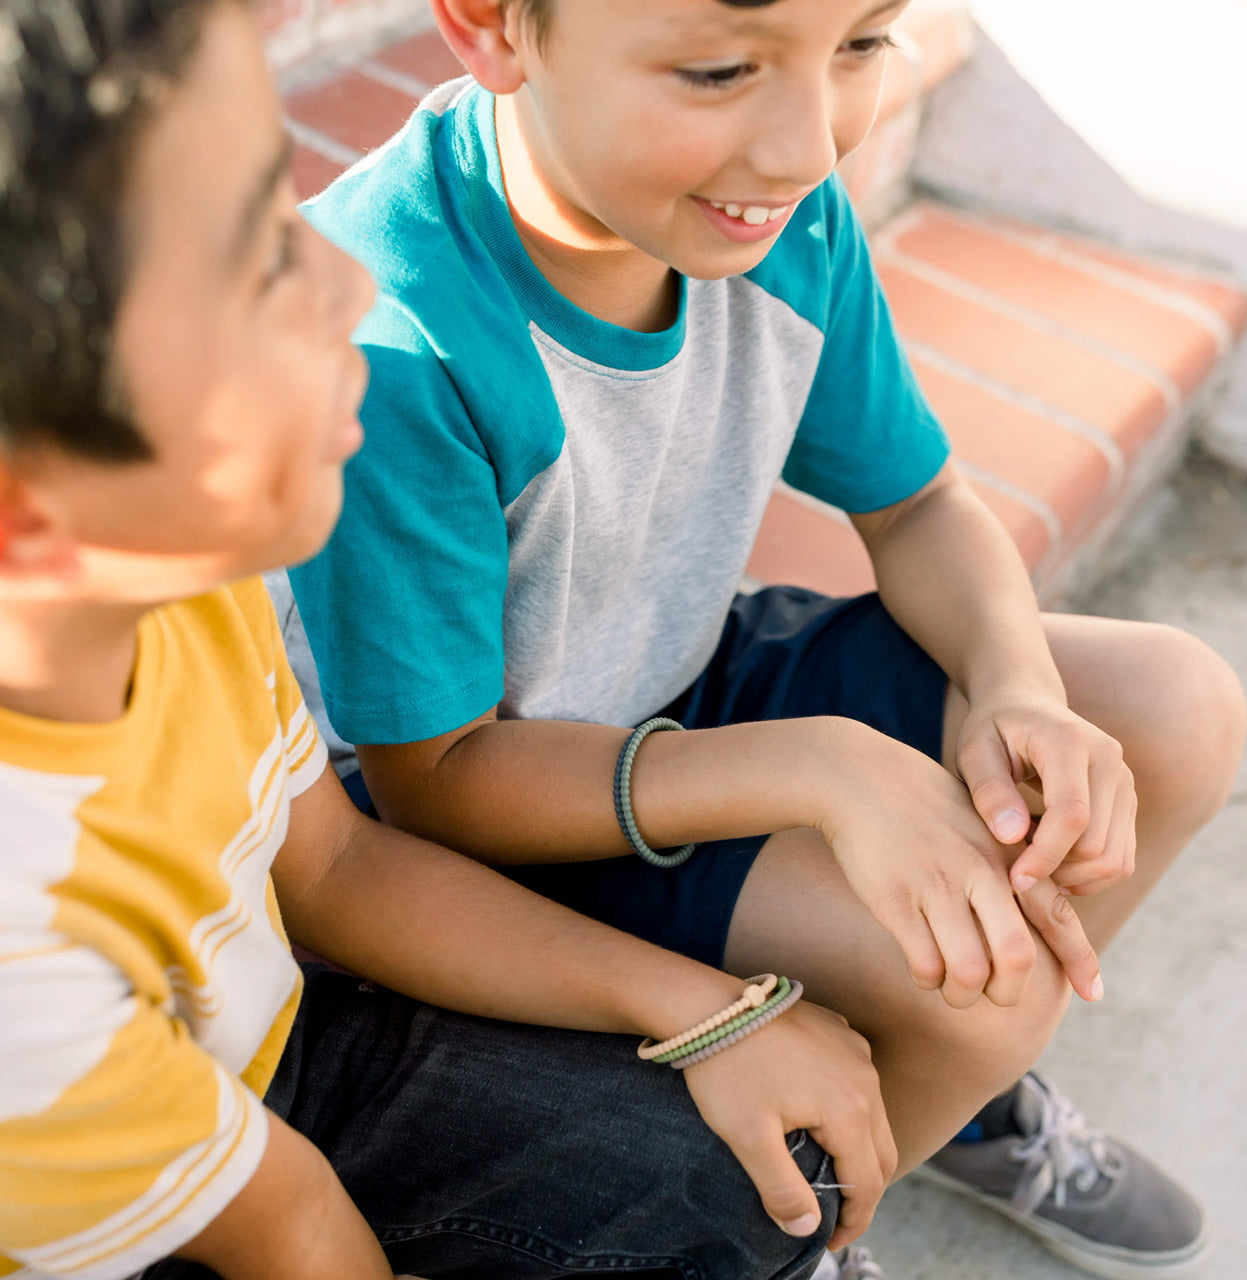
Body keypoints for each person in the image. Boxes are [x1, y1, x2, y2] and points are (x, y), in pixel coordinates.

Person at [279, 0, 1247, 1277]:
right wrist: (823, 767)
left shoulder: (755, 207)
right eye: (721, 68)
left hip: (688, 674)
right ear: (492, 28)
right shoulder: (391, 336)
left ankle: (942, 1095)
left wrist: (1015, 689)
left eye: (860, 44)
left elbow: (914, 505)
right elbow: (436, 788)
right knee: (979, 978)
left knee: (1170, 704)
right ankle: (816, 1220)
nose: (807, 142)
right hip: (501, 811)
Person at [0, 3, 963, 1278]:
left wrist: (705, 1012)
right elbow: (289, 1227)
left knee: (754, 1160)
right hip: (164, 1197)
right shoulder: (23, 972)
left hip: (275, 1037)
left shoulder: (174, 576)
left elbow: (335, 868)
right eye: (254, 272)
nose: (344, 283)